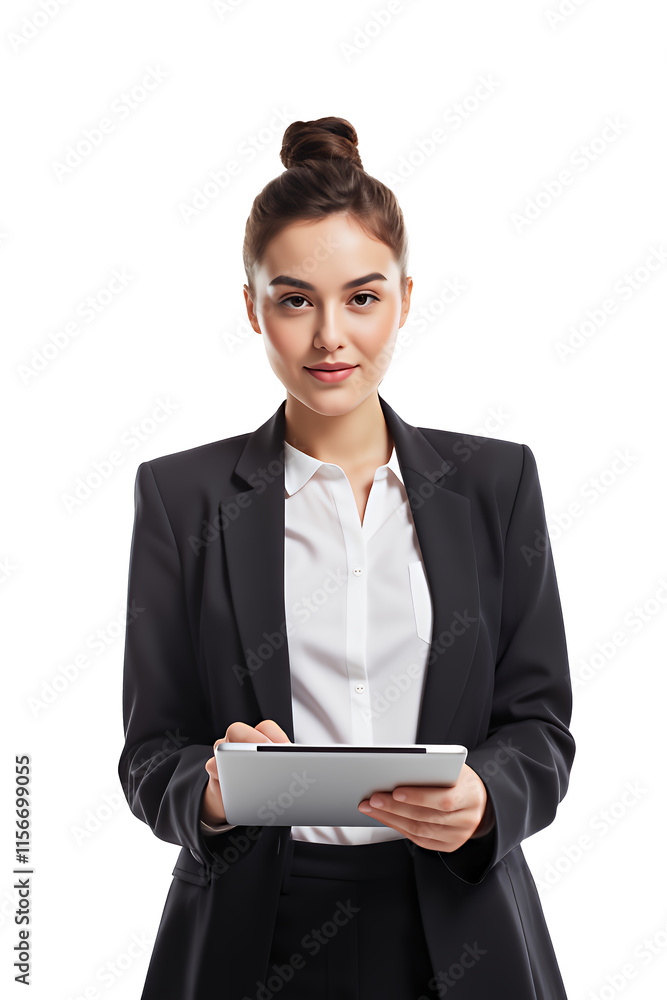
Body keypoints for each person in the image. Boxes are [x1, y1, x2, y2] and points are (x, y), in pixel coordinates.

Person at [118, 116, 576, 999]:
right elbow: (150, 752)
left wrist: (487, 798)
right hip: (252, 932)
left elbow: (540, 727)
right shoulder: (181, 498)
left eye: (361, 298)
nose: (330, 336)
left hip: (460, 927)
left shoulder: (496, 483)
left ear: (404, 298)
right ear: (252, 308)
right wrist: (212, 790)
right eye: (295, 301)